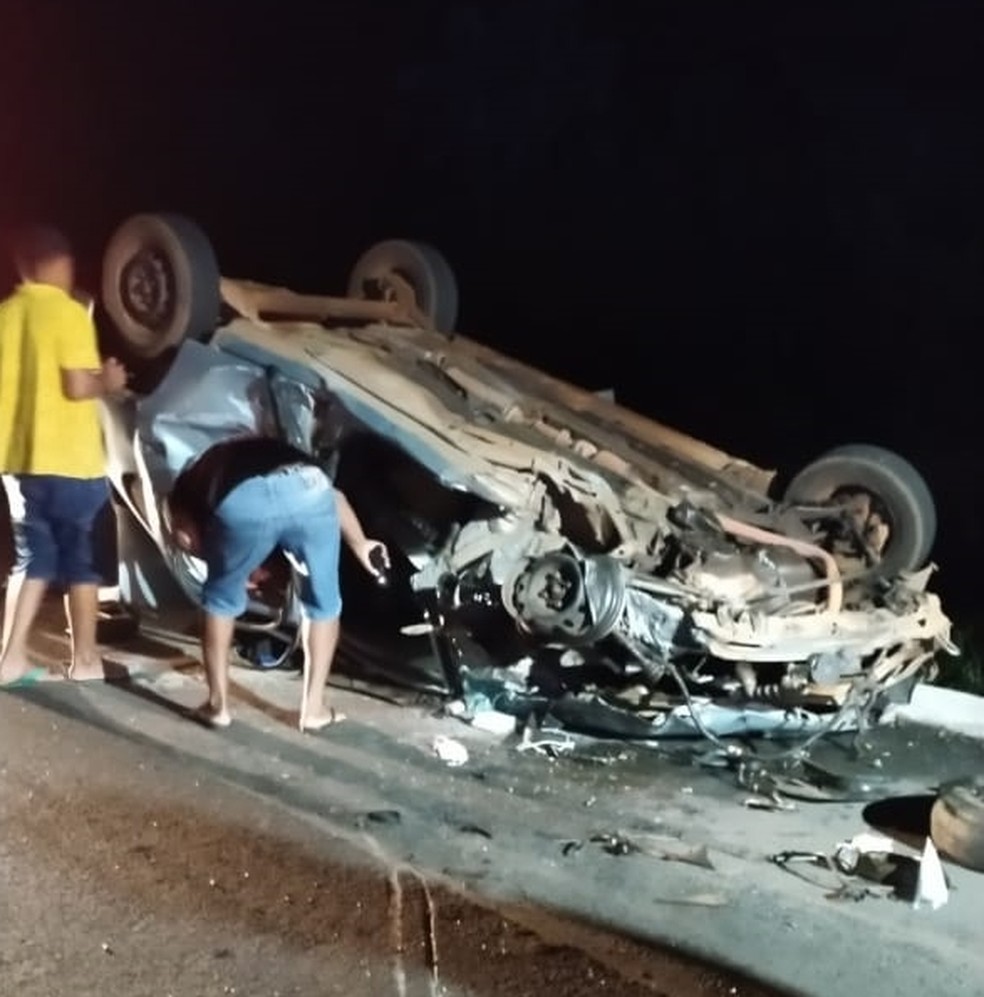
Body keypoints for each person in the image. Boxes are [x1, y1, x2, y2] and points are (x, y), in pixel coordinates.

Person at [162, 435, 390, 730]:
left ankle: (218, 707)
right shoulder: (267, 447)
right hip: (310, 488)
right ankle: (313, 709)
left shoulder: (188, 487)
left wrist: (225, 570)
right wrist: (361, 543)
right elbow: (336, 498)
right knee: (324, 605)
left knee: (220, 601)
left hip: (244, 499)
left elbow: (184, 536)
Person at [0, 225, 130, 687]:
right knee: (82, 564)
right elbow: (78, 386)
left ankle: (10, 658)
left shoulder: (7, 314)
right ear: (62, 264)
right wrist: (108, 382)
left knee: (31, 560)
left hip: (18, 463)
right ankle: (86, 661)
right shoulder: (69, 314)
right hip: (72, 462)